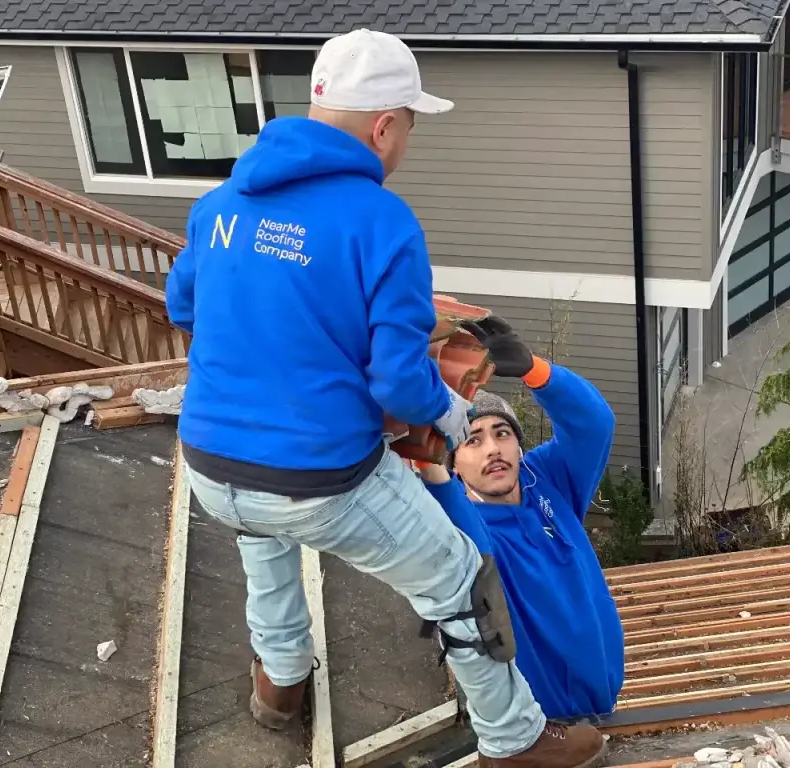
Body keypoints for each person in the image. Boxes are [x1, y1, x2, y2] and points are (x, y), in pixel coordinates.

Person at [165, 27, 607, 768]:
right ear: (383, 126)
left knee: (264, 536)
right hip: (318, 478)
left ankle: (279, 686)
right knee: (460, 577)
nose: (404, 145)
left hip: (211, 466)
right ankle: (515, 741)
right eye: (407, 127)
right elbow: (399, 384)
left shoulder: (222, 204)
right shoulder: (381, 222)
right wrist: (455, 415)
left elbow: (188, 305)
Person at [416, 317, 625, 727]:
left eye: (502, 433)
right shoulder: (456, 523)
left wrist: (535, 370)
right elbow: (469, 541)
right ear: (454, 462)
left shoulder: (545, 480)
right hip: (538, 729)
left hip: (603, 707)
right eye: (472, 440)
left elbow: (594, 424)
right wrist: (425, 455)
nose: (492, 449)